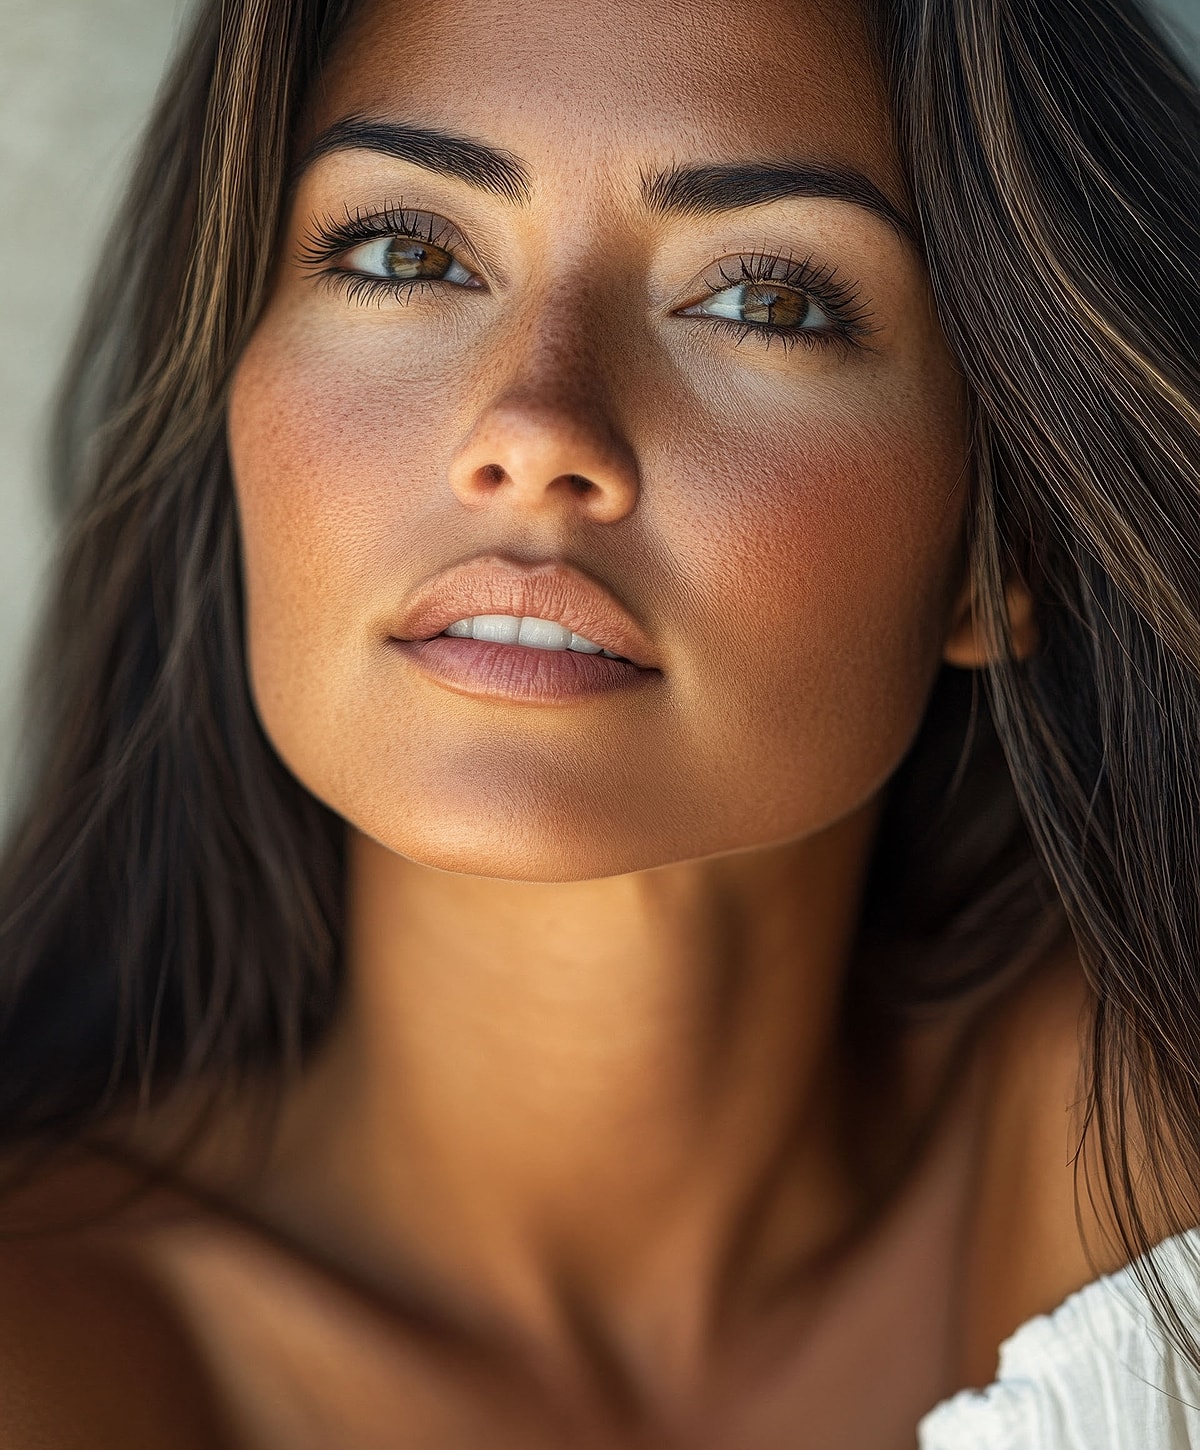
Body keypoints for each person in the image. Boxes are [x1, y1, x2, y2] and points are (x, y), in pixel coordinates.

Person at [0, 0, 1197, 1443]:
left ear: (1006, 546)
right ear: (236, 385)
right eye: (407, 253)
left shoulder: (1143, 1158)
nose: (539, 426)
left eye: (763, 298)